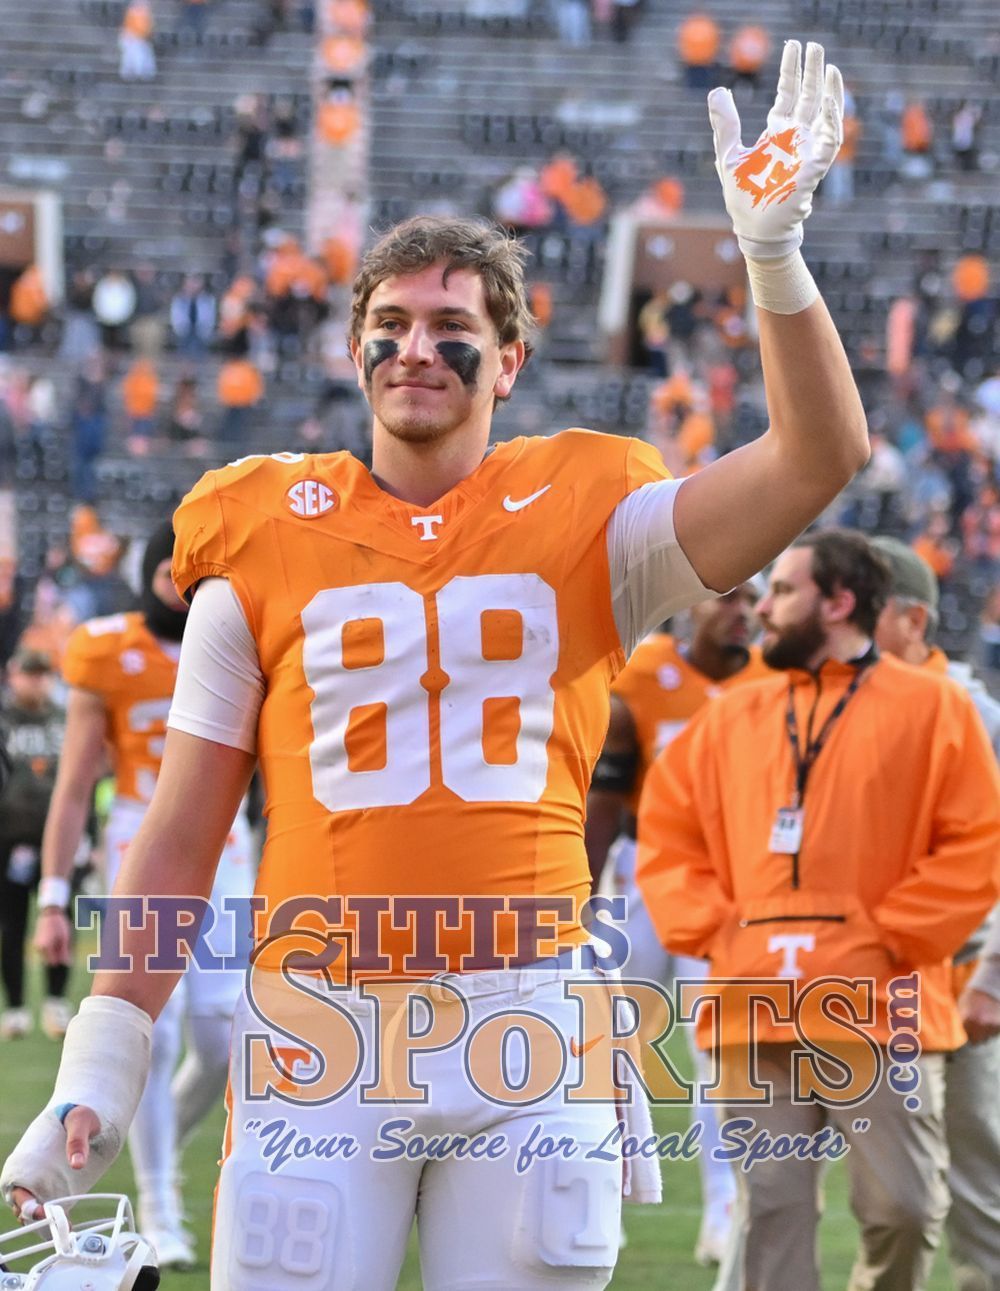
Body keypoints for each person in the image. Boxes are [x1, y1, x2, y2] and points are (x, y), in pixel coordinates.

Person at [3, 43, 870, 1291]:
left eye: (453, 328)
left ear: (508, 361)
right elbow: (182, 832)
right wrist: (101, 1058)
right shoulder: (257, 528)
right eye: (391, 325)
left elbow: (815, 458)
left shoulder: (597, 514)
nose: (417, 348)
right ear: (352, 349)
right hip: (321, 1017)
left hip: (529, 1017)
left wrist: (771, 259)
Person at [636, 529, 1000, 1291]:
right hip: (754, 1001)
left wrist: (891, 936)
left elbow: (978, 841)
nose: (762, 608)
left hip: (884, 1004)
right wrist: (715, 929)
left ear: (838, 601)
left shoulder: (935, 706)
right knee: (770, 1211)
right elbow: (667, 833)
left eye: (782, 591)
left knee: (904, 1207)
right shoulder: (731, 714)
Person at [28, 523, 256, 1269]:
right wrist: (55, 894)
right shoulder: (106, 649)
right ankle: (160, 1203)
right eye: (167, 575)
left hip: (228, 847)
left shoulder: (242, 630)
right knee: (151, 1034)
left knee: (223, 1041)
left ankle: (165, 1152)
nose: (180, 592)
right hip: (140, 838)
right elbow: (72, 786)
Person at [585, 584, 768, 1265]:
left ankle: (723, 1209)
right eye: (728, 597)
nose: (740, 611)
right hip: (642, 868)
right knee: (605, 1036)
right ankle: (596, 1191)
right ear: (692, 602)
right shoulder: (642, 675)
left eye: (752, 598)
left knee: (718, 1049)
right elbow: (606, 795)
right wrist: (583, 892)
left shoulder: (772, 678)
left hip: (727, 877)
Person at [871, 535, 1000, 1291]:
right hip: (849, 979)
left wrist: (994, 980)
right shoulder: (826, 701)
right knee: (783, 1185)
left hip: (958, 978)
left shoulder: (974, 714)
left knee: (972, 1182)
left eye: (860, 606)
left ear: (911, 620)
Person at [0, 650, 70, 1041]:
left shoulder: (64, 718)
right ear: (14, 676)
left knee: (61, 917)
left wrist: (87, 835)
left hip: (58, 838)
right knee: (13, 923)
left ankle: (56, 1001)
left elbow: (81, 782)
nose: (37, 681)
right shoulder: (4, 720)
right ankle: (15, 1007)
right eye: (30, 674)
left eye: (43, 674)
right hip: (9, 837)